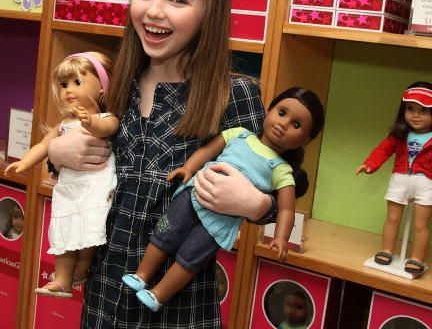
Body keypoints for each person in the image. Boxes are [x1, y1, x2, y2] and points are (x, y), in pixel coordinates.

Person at [48, 0, 277, 329]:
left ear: (210, 13)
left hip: (179, 315)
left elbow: (278, 182)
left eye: (178, 0)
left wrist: (257, 204)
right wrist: (56, 152)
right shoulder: (115, 84)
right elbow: (82, 161)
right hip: (102, 303)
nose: (154, 11)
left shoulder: (235, 96)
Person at [122, 87, 325, 311]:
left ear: (306, 140)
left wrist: (281, 238)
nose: (283, 124)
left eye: (296, 125)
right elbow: (208, 150)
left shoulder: (281, 170)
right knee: (165, 232)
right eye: (282, 112)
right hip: (196, 194)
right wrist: (188, 168)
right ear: (269, 110)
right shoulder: (238, 133)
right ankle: (142, 274)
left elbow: (286, 209)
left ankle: (159, 294)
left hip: (221, 222)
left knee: (191, 258)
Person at [5, 52, 118, 298]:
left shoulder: (103, 117)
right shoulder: (64, 122)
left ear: (102, 87)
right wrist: (24, 163)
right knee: (64, 228)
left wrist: (89, 122)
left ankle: (82, 270)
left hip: (94, 186)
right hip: (68, 187)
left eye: (77, 82)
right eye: (64, 84)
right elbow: (44, 145)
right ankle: (63, 279)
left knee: (89, 229)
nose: (68, 90)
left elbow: (106, 128)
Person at [356, 82, 432, 275]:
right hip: (400, 178)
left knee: (420, 224)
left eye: (423, 110)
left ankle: (416, 258)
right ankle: (387, 250)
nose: (416, 115)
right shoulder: (399, 136)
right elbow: (382, 151)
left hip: (426, 182)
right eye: (410, 109)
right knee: (392, 218)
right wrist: (369, 164)